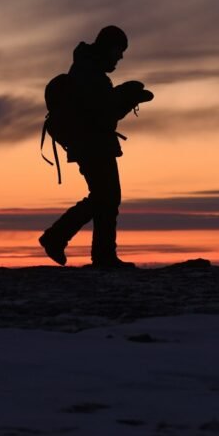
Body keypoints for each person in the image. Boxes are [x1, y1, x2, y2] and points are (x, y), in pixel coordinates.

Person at [38, 25, 153, 268]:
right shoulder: (89, 73)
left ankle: (92, 251)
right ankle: (65, 240)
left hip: (91, 143)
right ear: (108, 47)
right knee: (106, 197)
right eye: (119, 50)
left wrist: (125, 96)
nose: (120, 56)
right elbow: (102, 115)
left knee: (105, 197)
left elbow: (102, 110)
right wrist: (127, 96)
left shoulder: (88, 70)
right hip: (92, 143)